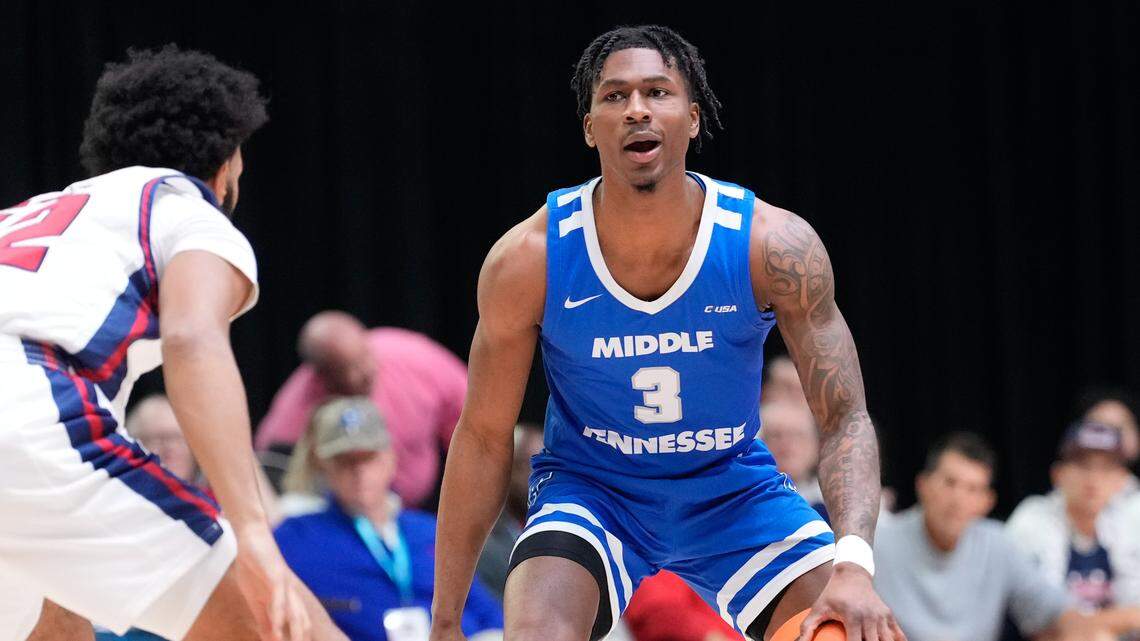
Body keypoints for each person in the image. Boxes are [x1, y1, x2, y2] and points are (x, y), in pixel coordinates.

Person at [430, 24, 902, 641]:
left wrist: (854, 566)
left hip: (732, 489)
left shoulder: (772, 246)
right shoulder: (529, 260)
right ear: (589, 127)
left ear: (694, 117)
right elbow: (485, 437)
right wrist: (444, 620)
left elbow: (846, 417)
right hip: (593, 491)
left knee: (844, 632)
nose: (636, 110)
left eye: (657, 91)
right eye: (613, 96)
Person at [0, 45, 342, 641]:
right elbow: (191, 337)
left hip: (24, 439)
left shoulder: (27, 213)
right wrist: (253, 532)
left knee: (54, 623)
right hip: (31, 417)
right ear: (227, 158)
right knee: (283, 625)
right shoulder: (184, 208)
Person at [275, 397, 504, 641]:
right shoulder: (296, 538)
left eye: (368, 457)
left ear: (390, 458)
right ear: (323, 466)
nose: (359, 471)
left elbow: (488, 614)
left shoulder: (432, 530)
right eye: (344, 461)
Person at [874, 432, 1140, 641]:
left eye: (973, 489)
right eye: (950, 483)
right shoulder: (879, 545)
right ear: (923, 485)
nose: (957, 500)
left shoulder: (997, 544)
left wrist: (1094, 631)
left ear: (987, 501)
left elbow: (1056, 613)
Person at [255, 311, 468, 507]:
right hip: (347, 519)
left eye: (365, 355)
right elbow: (271, 474)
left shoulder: (415, 358)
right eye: (348, 368)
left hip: (432, 506)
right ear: (320, 375)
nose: (367, 370)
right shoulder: (294, 414)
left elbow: (472, 421)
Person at [1007, 422, 1140, 616]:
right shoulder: (1032, 519)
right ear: (1058, 474)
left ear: (1122, 480)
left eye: (1105, 468)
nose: (1093, 478)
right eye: (1083, 466)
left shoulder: (1131, 520)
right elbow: (1045, 617)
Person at [476, 423, 546, 602]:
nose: (541, 481)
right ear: (507, 471)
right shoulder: (484, 541)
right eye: (531, 468)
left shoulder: (556, 524)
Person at [760, 402, 827, 521]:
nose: (787, 445)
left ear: (816, 446)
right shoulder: (747, 501)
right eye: (776, 436)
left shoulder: (836, 504)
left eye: (798, 436)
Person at [126, 393, 200, 483]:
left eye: (178, 438)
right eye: (160, 439)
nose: (171, 447)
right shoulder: (119, 494)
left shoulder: (216, 494)